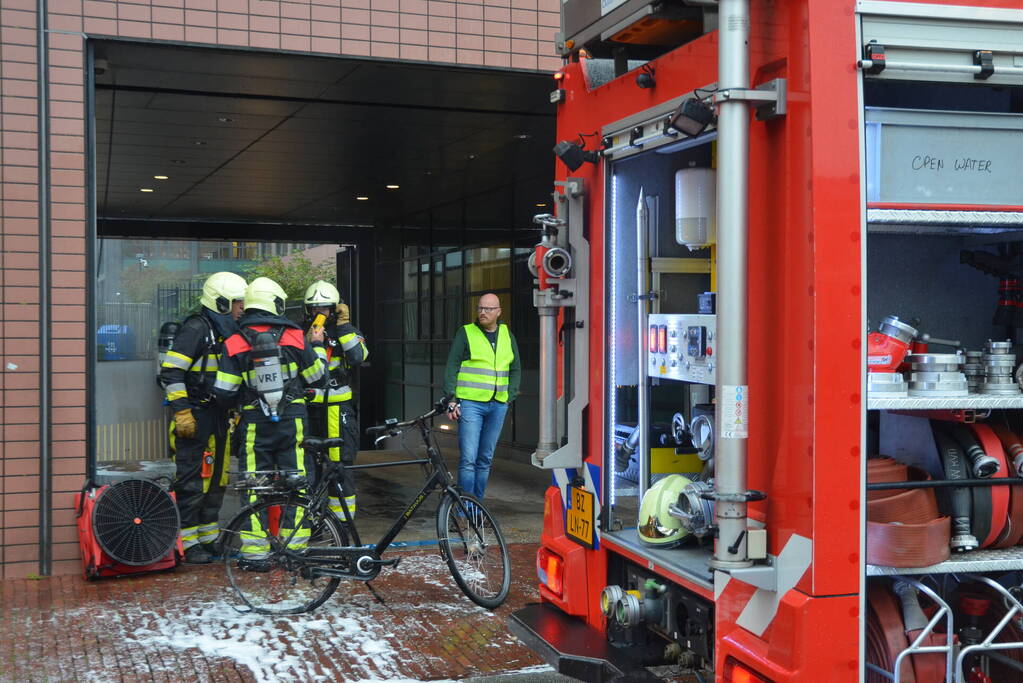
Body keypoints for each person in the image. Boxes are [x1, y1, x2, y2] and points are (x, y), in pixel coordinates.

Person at [213, 277, 327, 562]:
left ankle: (255, 553)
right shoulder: (294, 336)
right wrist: (320, 349)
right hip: (293, 421)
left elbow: (224, 393)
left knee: (254, 486)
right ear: (275, 303)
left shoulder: (234, 341)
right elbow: (318, 377)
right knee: (298, 481)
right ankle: (294, 547)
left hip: (254, 423)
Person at [160, 271, 247, 564]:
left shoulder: (228, 331)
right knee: (191, 480)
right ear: (220, 302)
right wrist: (182, 411)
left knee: (217, 478)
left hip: (219, 416)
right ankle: (187, 542)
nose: (241, 309)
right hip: (194, 415)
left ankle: (209, 539)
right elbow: (170, 372)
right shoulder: (197, 328)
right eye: (237, 303)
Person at [443, 293, 521, 501]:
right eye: (480, 308)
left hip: (498, 405)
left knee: (485, 459)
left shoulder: (507, 334)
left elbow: (515, 369)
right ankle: (464, 511)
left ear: (498, 312)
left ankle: (477, 508)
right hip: (470, 403)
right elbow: (452, 366)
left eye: (488, 309)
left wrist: (508, 397)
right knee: (468, 459)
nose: (483, 312)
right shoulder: (466, 333)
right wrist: (452, 399)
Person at [303, 280, 369, 520]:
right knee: (309, 469)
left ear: (334, 309)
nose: (319, 313)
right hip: (310, 410)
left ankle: (342, 525)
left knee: (340, 469)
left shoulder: (346, 331)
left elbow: (358, 356)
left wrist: (344, 327)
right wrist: (314, 343)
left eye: (325, 309)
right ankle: (312, 521)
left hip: (338, 411)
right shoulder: (303, 334)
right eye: (314, 309)